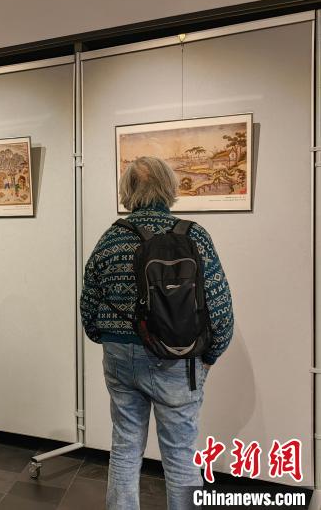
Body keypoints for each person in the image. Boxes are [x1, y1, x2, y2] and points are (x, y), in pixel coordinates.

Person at [80, 157, 234, 510]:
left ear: (128, 190)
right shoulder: (193, 235)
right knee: (180, 455)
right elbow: (220, 306)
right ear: (169, 188)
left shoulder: (112, 238)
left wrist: (105, 337)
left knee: (125, 447)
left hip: (120, 356)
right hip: (178, 359)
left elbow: (89, 302)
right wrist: (211, 356)